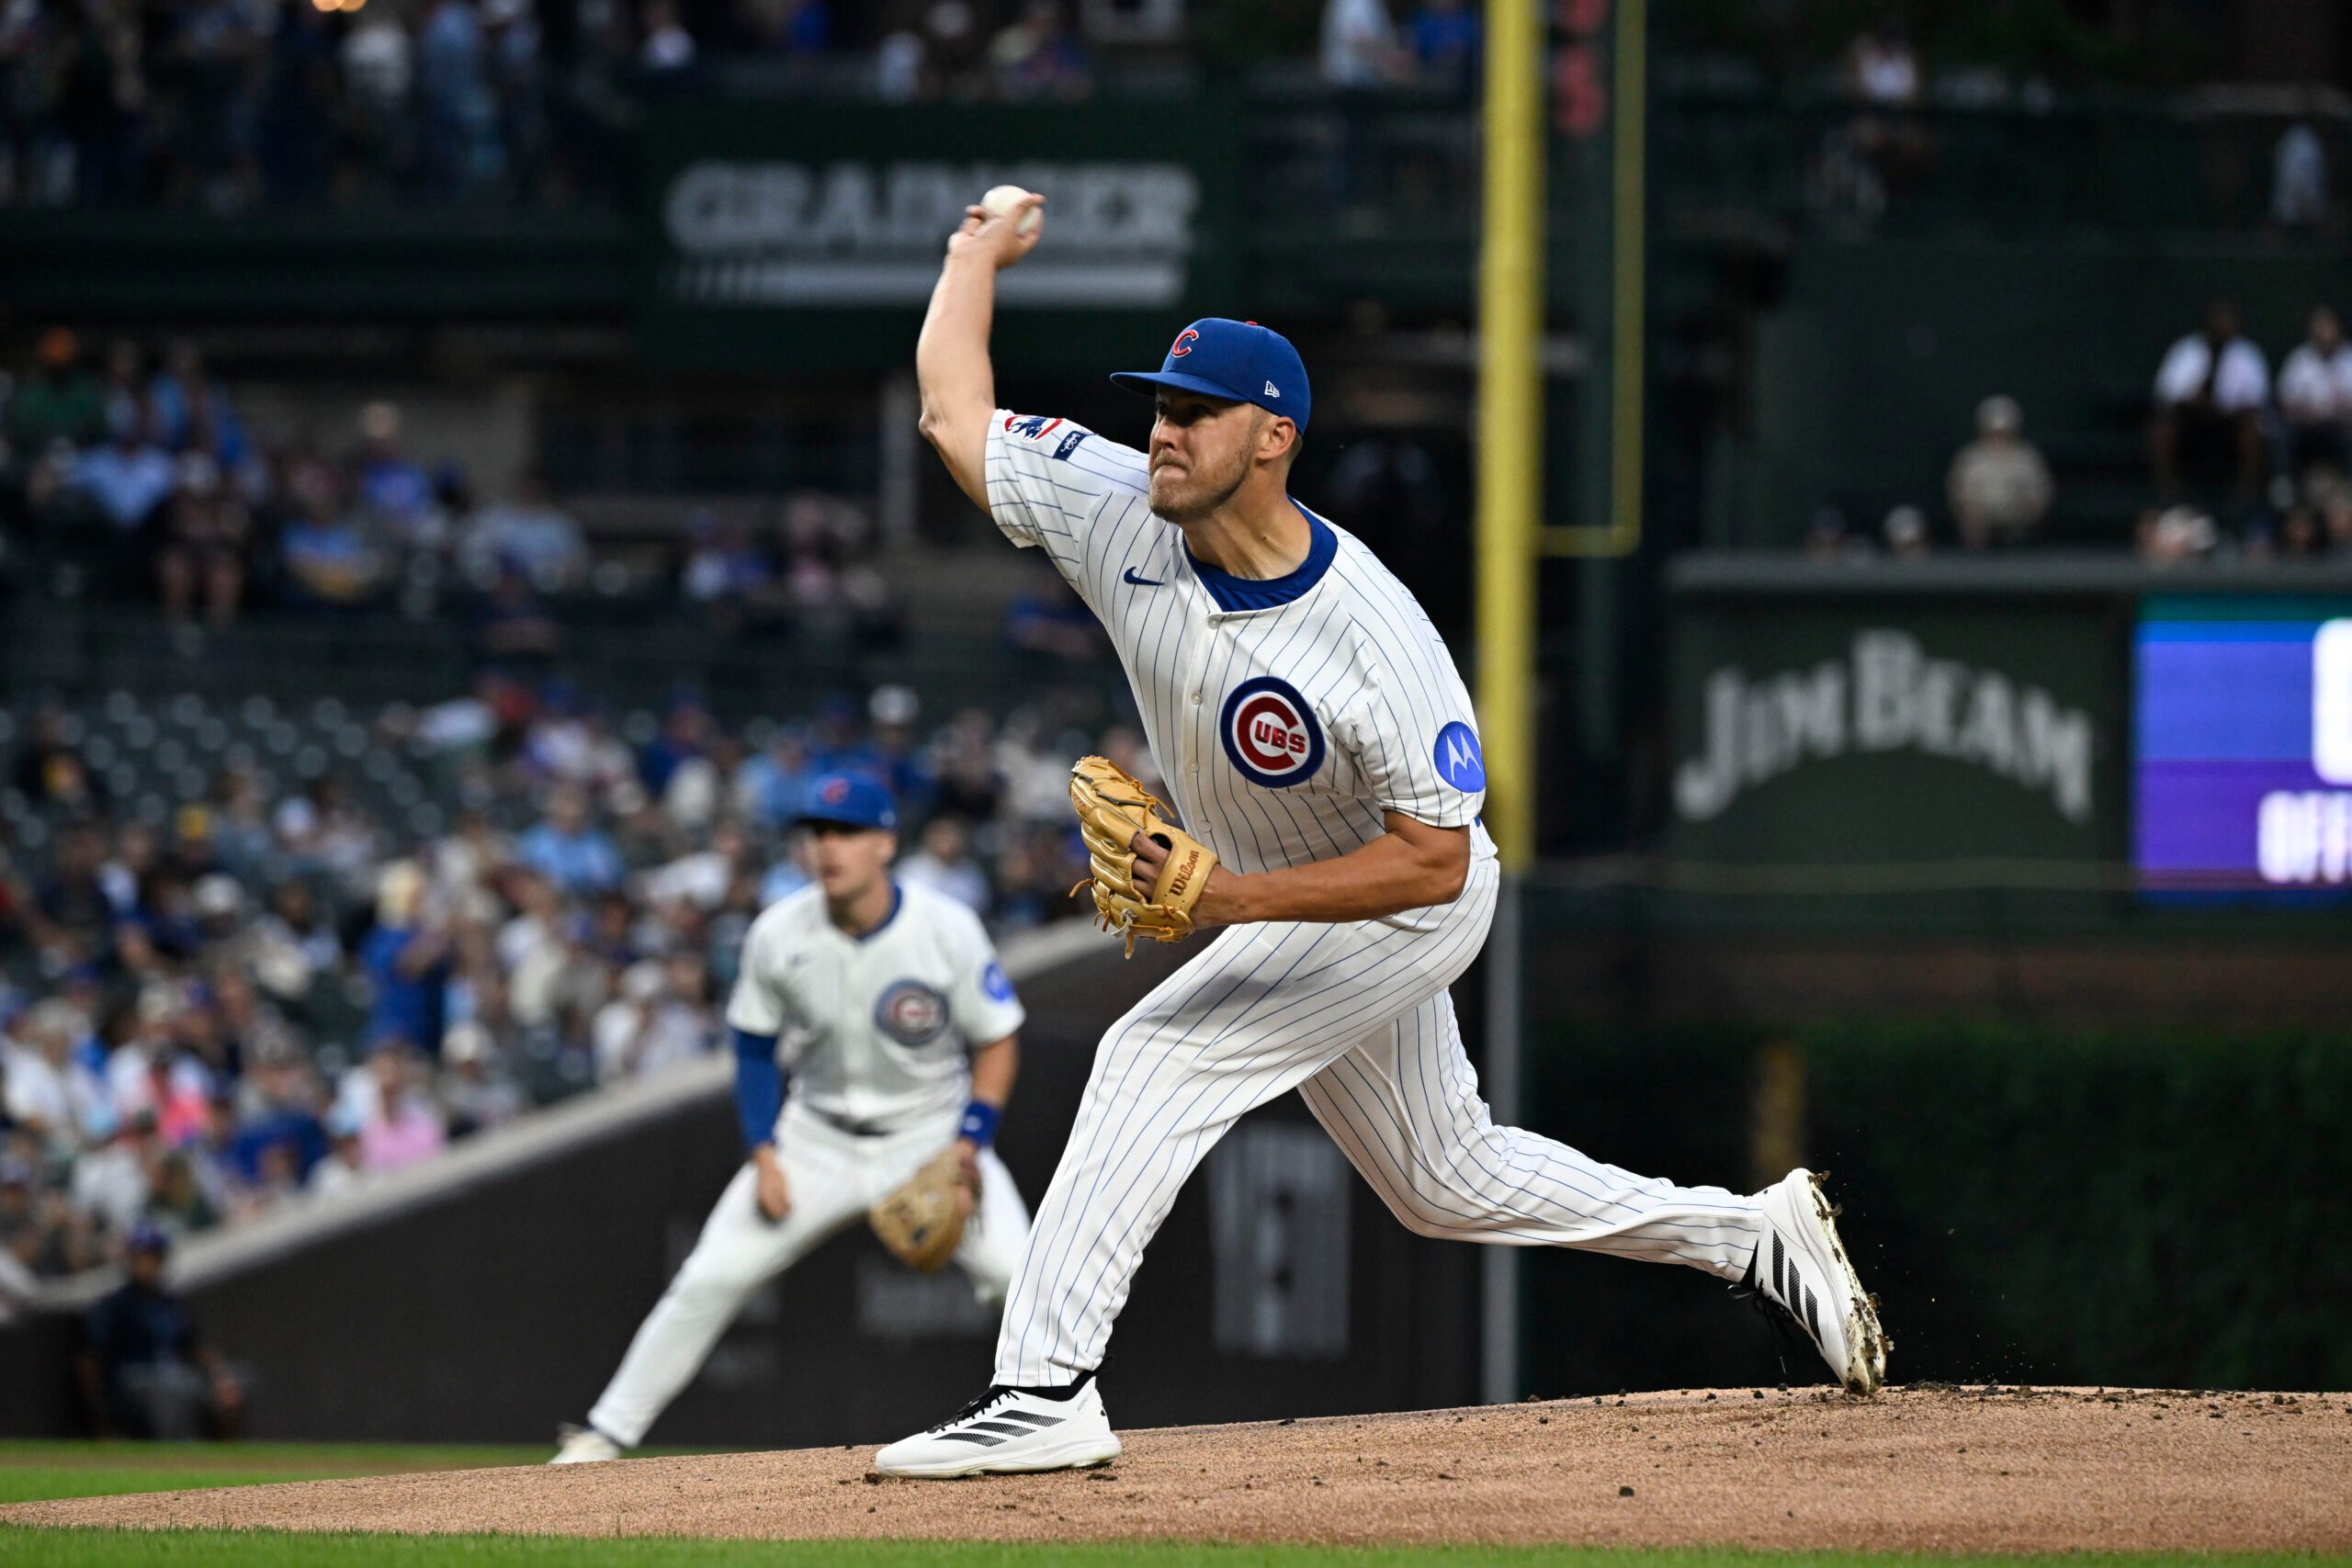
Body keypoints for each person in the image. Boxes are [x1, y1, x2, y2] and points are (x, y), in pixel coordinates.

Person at [875, 196, 1889, 1478]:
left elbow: (1445, 859)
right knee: (1441, 1176)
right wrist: (974, 252)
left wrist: (1233, 896)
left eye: (1196, 411)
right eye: (1161, 405)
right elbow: (951, 411)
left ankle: (1044, 1388)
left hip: (1405, 898)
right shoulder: (1116, 504)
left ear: (1275, 437)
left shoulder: (1373, 633)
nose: (1164, 431)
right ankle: (1750, 1236)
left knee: (1156, 1051)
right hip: (1282, 895)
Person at [548, 774, 1032, 1462]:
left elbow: (998, 1037)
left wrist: (969, 1145)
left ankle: (1062, 1416)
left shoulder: (946, 927)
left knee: (1021, 1276)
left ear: (886, 842)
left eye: (847, 832)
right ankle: (602, 1434)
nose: (828, 847)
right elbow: (751, 1047)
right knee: (711, 1275)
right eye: (817, 833)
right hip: (817, 1138)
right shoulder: (779, 932)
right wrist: (764, 1151)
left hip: (932, 1136)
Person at [78, 1224, 244, 1438]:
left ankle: (224, 1461)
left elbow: (193, 1344)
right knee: (174, 1389)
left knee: (235, 1384)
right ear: (131, 1260)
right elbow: (89, 1357)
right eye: (142, 1257)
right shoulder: (116, 1305)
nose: (148, 1265)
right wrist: (99, 1416)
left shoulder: (170, 1303)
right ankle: (175, 1457)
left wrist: (221, 1374)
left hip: (176, 1376)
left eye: (154, 1257)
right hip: (134, 1378)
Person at [2151, 299, 2269, 503]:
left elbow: (2257, 400)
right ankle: (2169, 492)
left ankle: (2246, 494)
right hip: (2191, 423)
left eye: (2227, 322)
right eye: (2217, 321)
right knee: (2161, 428)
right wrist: (2196, 402)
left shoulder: (2247, 354)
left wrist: (2223, 407)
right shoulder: (2186, 350)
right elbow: (2166, 395)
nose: (2222, 327)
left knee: (2251, 429)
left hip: (2230, 425)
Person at [1945, 395, 2053, 550]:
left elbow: (2039, 497)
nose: (1999, 438)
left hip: (2019, 529)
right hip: (1979, 532)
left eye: (2004, 432)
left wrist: (2023, 516)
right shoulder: (1969, 459)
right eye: (1994, 432)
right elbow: (1960, 497)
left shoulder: (2028, 458)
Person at [2276, 306, 2352, 486]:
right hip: (2306, 427)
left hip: (2341, 427)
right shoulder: (2299, 359)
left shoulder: (2349, 359)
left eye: (2329, 327)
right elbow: (2285, 403)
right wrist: (2306, 414)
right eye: (2320, 327)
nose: (2325, 333)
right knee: (2282, 432)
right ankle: (2285, 484)